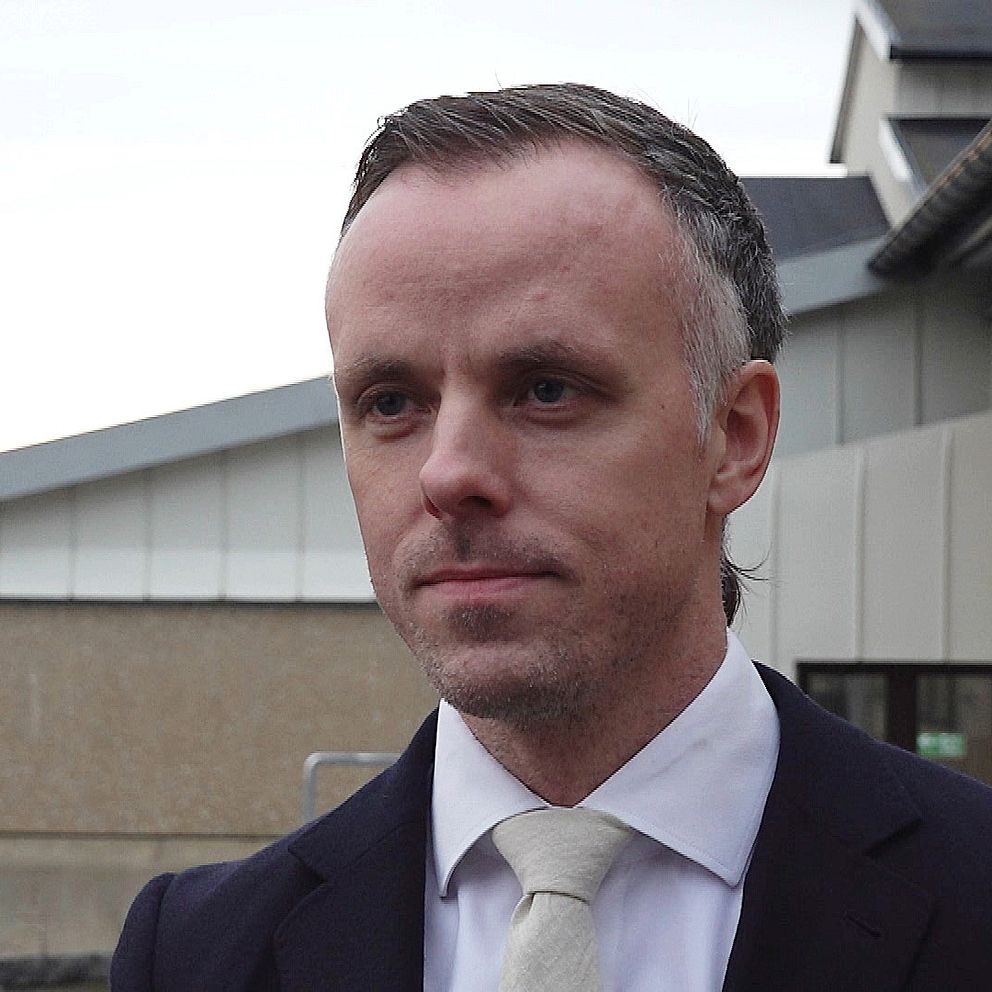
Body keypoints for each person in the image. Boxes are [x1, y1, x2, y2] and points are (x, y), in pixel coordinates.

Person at [112, 84, 992, 991]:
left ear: (735, 437)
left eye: (545, 390)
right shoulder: (195, 954)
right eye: (392, 402)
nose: (448, 474)